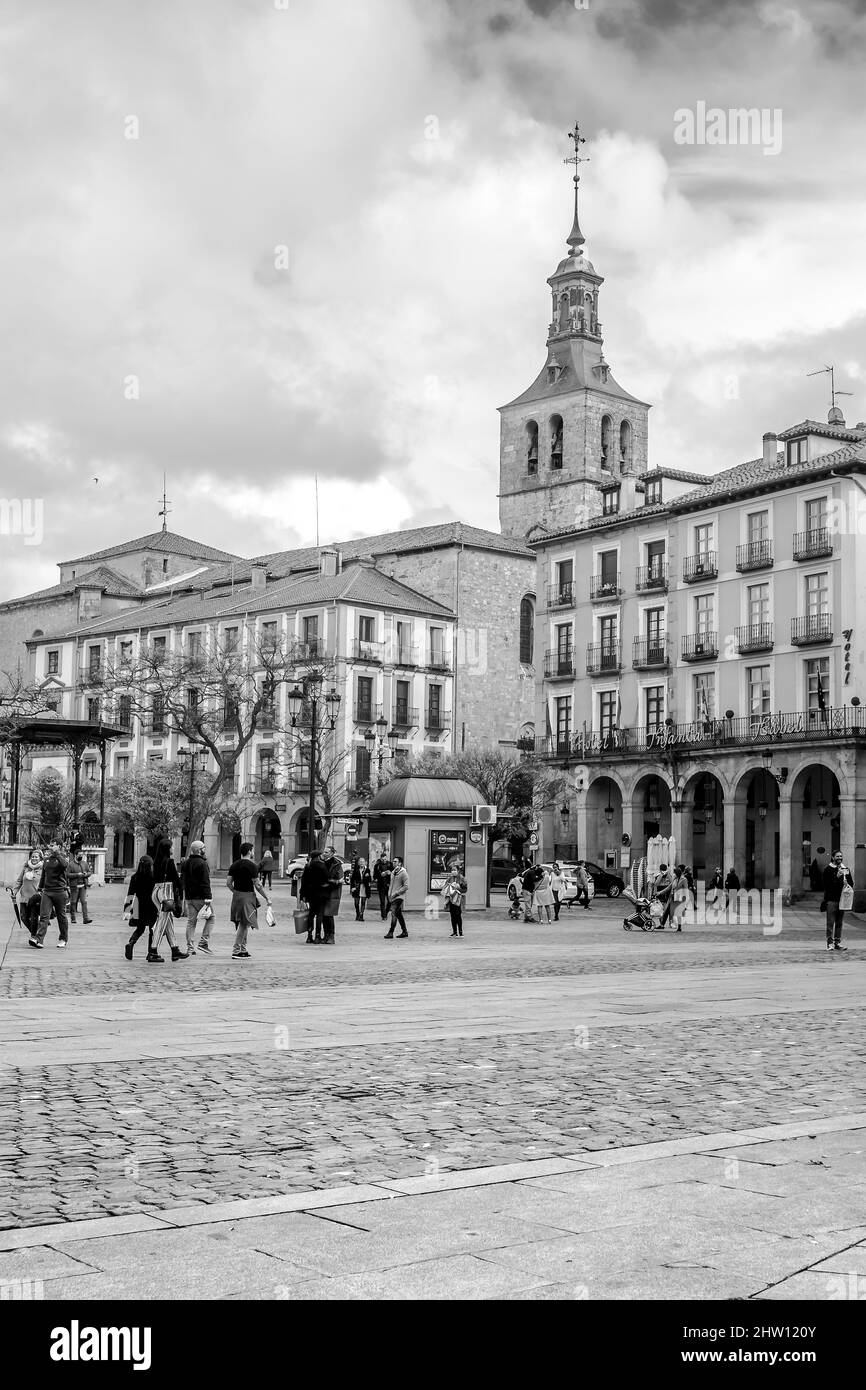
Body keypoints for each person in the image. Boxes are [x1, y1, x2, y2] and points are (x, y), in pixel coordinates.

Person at [227, 841, 269, 959]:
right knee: (244, 924)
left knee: (243, 923)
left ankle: (243, 949)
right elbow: (258, 885)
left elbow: (228, 883)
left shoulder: (234, 865)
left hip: (237, 896)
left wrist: (235, 892)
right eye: (252, 850)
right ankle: (236, 950)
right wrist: (267, 897)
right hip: (248, 896)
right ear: (249, 851)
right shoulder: (252, 866)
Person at [151, 838, 187, 963]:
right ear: (167, 849)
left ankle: (174, 949)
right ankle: (153, 950)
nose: (173, 849)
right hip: (166, 893)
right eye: (171, 847)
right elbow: (176, 880)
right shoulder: (169, 862)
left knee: (168, 921)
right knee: (161, 922)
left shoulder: (156, 862)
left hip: (156, 891)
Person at [30, 841, 72, 950]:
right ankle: (39, 940)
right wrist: (39, 889)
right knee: (44, 916)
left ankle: (63, 939)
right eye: (51, 845)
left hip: (60, 891)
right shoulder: (47, 860)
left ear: (59, 846)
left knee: (61, 916)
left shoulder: (63, 857)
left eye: (53, 845)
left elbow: (65, 866)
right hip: (47, 891)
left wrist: (57, 854)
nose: (51, 846)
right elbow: (44, 875)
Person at [181, 840, 214, 954]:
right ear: (200, 850)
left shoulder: (186, 863)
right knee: (211, 918)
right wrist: (208, 898)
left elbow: (183, 880)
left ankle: (190, 948)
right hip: (201, 897)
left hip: (189, 897)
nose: (205, 850)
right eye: (203, 848)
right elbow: (205, 882)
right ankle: (203, 943)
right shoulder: (202, 863)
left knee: (191, 922)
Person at [123, 855, 159, 961]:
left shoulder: (135, 877)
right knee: (153, 929)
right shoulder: (154, 877)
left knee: (140, 928)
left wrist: (127, 910)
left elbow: (130, 894)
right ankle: (151, 952)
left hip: (137, 905)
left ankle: (131, 943)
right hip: (152, 905)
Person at [822, 850, 854, 952]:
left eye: (841, 856)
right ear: (832, 857)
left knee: (839, 923)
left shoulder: (845, 869)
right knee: (830, 923)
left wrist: (846, 883)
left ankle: (837, 943)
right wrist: (837, 877)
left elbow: (851, 883)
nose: (839, 858)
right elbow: (827, 885)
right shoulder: (828, 869)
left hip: (842, 900)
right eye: (837, 856)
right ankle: (829, 944)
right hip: (831, 900)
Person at [299, 849, 330, 944]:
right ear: (318, 856)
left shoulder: (307, 867)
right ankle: (317, 936)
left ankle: (309, 936)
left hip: (310, 894)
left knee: (311, 915)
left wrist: (302, 896)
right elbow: (326, 879)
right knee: (319, 915)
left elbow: (303, 882)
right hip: (321, 894)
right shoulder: (322, 866)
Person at [13, 848, 44, 936]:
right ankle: (36, 933)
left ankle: (35, 935)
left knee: (33, 918)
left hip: (35, 898)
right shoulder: (26, 868)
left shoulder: (43, 869)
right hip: (24, 897)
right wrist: (15, 891)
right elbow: (19, 881)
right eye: (32, 857)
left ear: (40, 858)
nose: (34, 858)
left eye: (36, 857)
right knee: (23, 917)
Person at [321, 846, 343, 945]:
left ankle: (331, 936)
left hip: (332, 893)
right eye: (324, 852)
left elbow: (339, 880)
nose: (324, 853)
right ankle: (326, 935)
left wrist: (328, 882)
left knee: (329, 915)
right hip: (323, 892)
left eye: (326, 852)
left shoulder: (337, 864)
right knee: (323, 916)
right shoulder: (322, 862)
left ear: (332, 853)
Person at [385, 856, 409, 939]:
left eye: (395, 861)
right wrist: (389, 895)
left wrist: (396, 893)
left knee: (393, 913)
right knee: (399, 915)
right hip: (392, 897)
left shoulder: (403, 873)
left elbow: (406, 886)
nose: (393, 863)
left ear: (400, 863)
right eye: (393, 861)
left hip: (399, 897)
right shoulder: (393, 872)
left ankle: (391, 932)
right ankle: (405, 931)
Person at [68, 851, 93, 925]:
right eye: (79, 855)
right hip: (74, 886)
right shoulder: (70, 864)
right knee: (73, 902)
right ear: (75, 855)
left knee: (84, 902)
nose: (81, 856)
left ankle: (86, 918)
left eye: (82, 855)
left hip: (83, 886)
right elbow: (67, 874)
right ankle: (73, 918)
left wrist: (86, 874)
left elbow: (89, 872)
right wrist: (77, 875)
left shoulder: (84, 863)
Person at [443, 866, 467, 937]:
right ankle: (454, 932)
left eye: (454, 870)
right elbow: (445, 889)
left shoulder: (462, 878)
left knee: (458, 915)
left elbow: (465, 889)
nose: (453, 871)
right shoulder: (449, 879)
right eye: (452, 870)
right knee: (452, 916)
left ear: (458, 871)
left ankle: (460, 932)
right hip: (451, 899)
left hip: (458, 900)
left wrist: (458, 887)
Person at [652, 862, 674, 929]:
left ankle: (670, 923)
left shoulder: (669, 875)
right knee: (660, 909)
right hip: (660, 894)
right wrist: (661, 875)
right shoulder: (657, 875)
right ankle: (662, 923)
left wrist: (668, 875)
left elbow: (672, 883)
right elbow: (656, 884)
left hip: (667, 894)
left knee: (669, 909)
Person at [373, 854, 391, 919]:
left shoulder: (390, 864)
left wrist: (390, 873)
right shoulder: (377, 865)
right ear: (380, 859)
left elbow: (394, 874)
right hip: (381, 886)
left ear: (387, 858)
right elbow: (374, 876)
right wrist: (379, 876)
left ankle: (385, 912)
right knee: (382, 901)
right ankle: (383, 916)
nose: (384, 860)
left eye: (385, 859)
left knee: (390, 901)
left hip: (389, 886)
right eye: (383, 859)